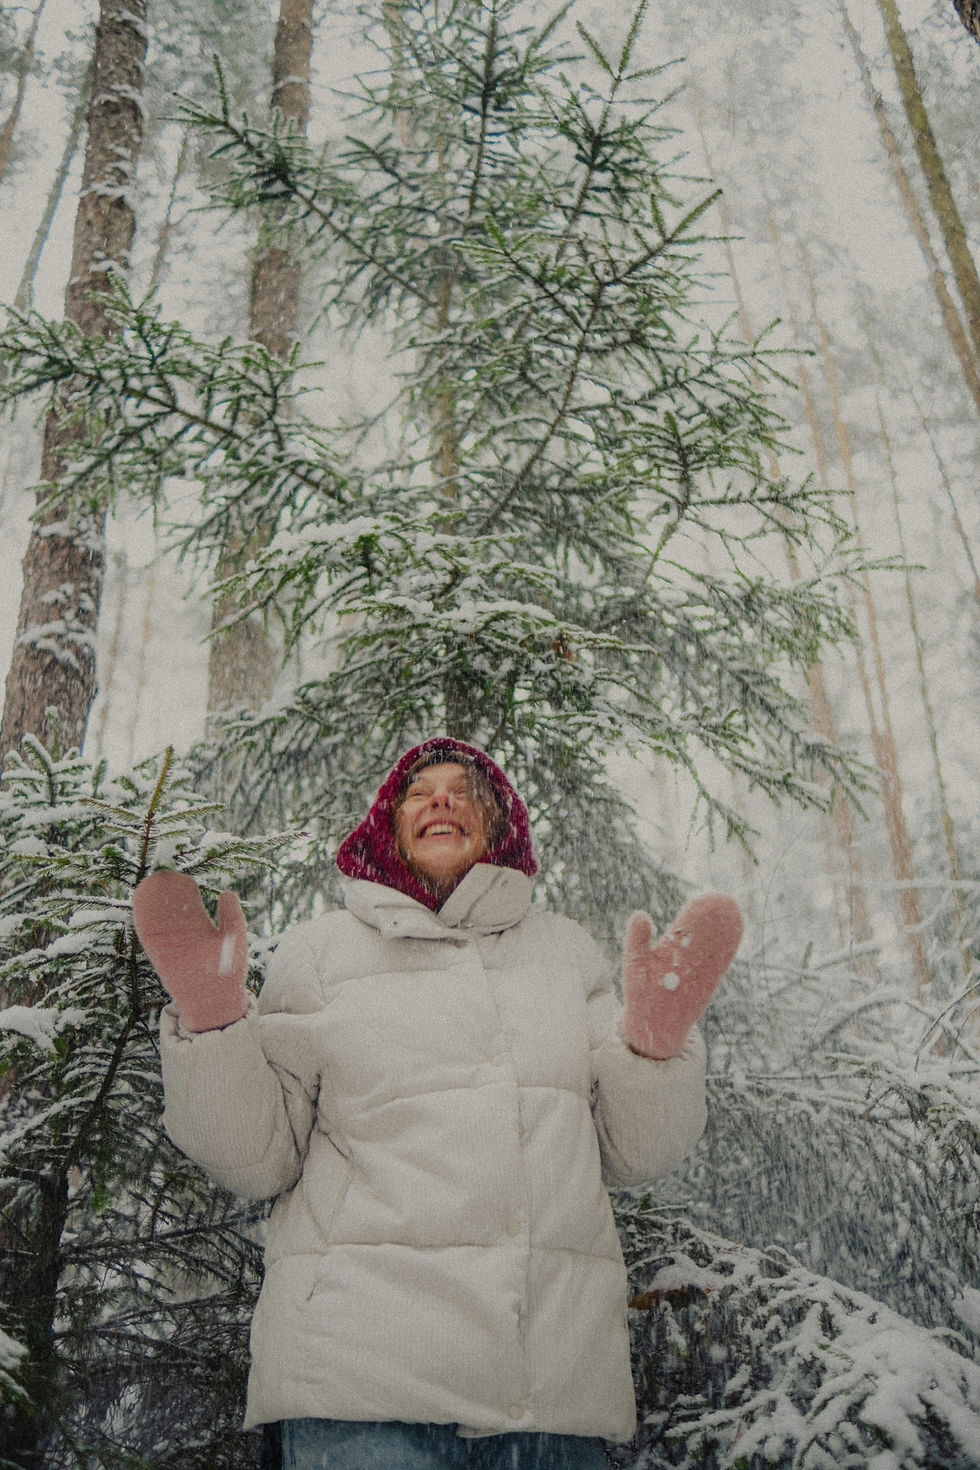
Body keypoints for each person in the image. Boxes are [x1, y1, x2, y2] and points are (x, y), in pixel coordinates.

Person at [133, 737, 742, 1470]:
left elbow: (634, 1152)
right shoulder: (319, 952)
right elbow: (257, 1161)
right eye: (420, 792)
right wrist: (216, 1024)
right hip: (358, 1385)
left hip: (545, 1385)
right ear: (386, 828)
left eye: (464, 791)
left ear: (500, 826)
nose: (442, 800)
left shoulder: (565, 953)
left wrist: (650, 1049)